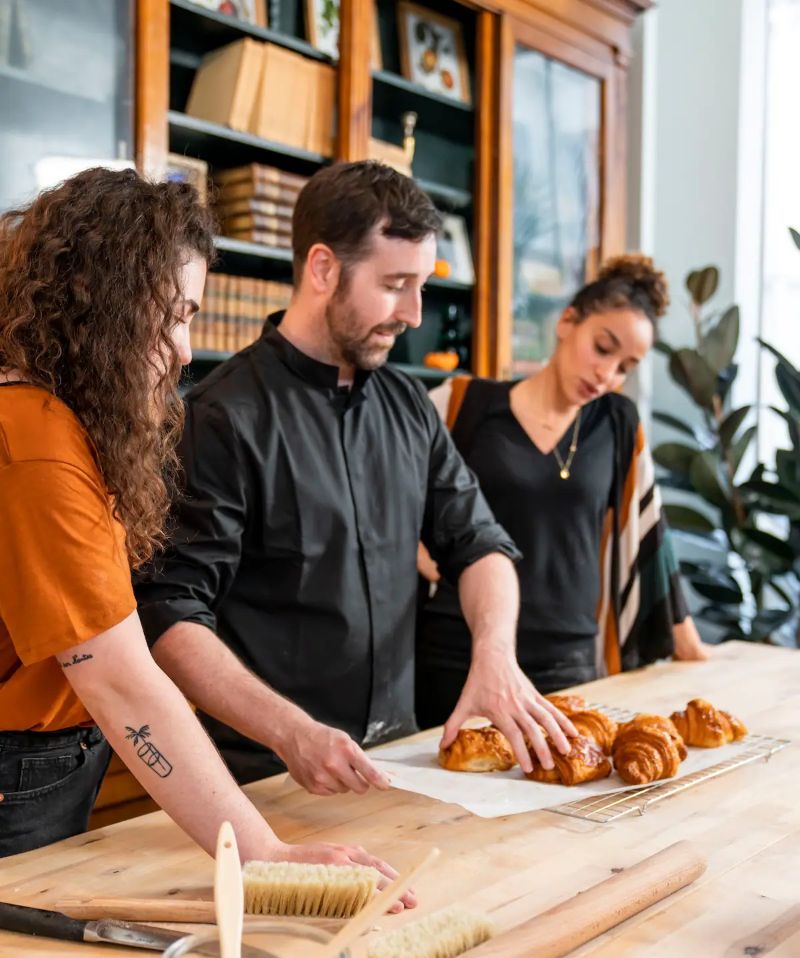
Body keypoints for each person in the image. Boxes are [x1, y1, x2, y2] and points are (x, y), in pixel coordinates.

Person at [0, 167, 414, 899]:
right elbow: (120, 680)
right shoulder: (33, 436)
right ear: (107, 303)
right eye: (174, 315)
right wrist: (260, 852)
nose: (187, 350)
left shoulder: (51, 415)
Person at [134, 160, 576, 785]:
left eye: (422, 285)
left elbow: (480, 547)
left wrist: (496, 658)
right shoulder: (221, 418)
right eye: (396, 284)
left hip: (397, 762)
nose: (416, 314)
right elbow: (169, 610)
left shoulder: (410, 410)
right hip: (267, 776)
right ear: (322, 268)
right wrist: (292, 732)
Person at [416, 255, 708, 729]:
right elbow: (378, 496)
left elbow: (652, 542)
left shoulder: (617, 422)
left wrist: (694, 651)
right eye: (602, 347)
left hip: (569, 660)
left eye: (624, 367)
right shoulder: (462, 403)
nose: (607, 375)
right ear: (567, 321)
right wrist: (417, 552)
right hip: (457, 653)